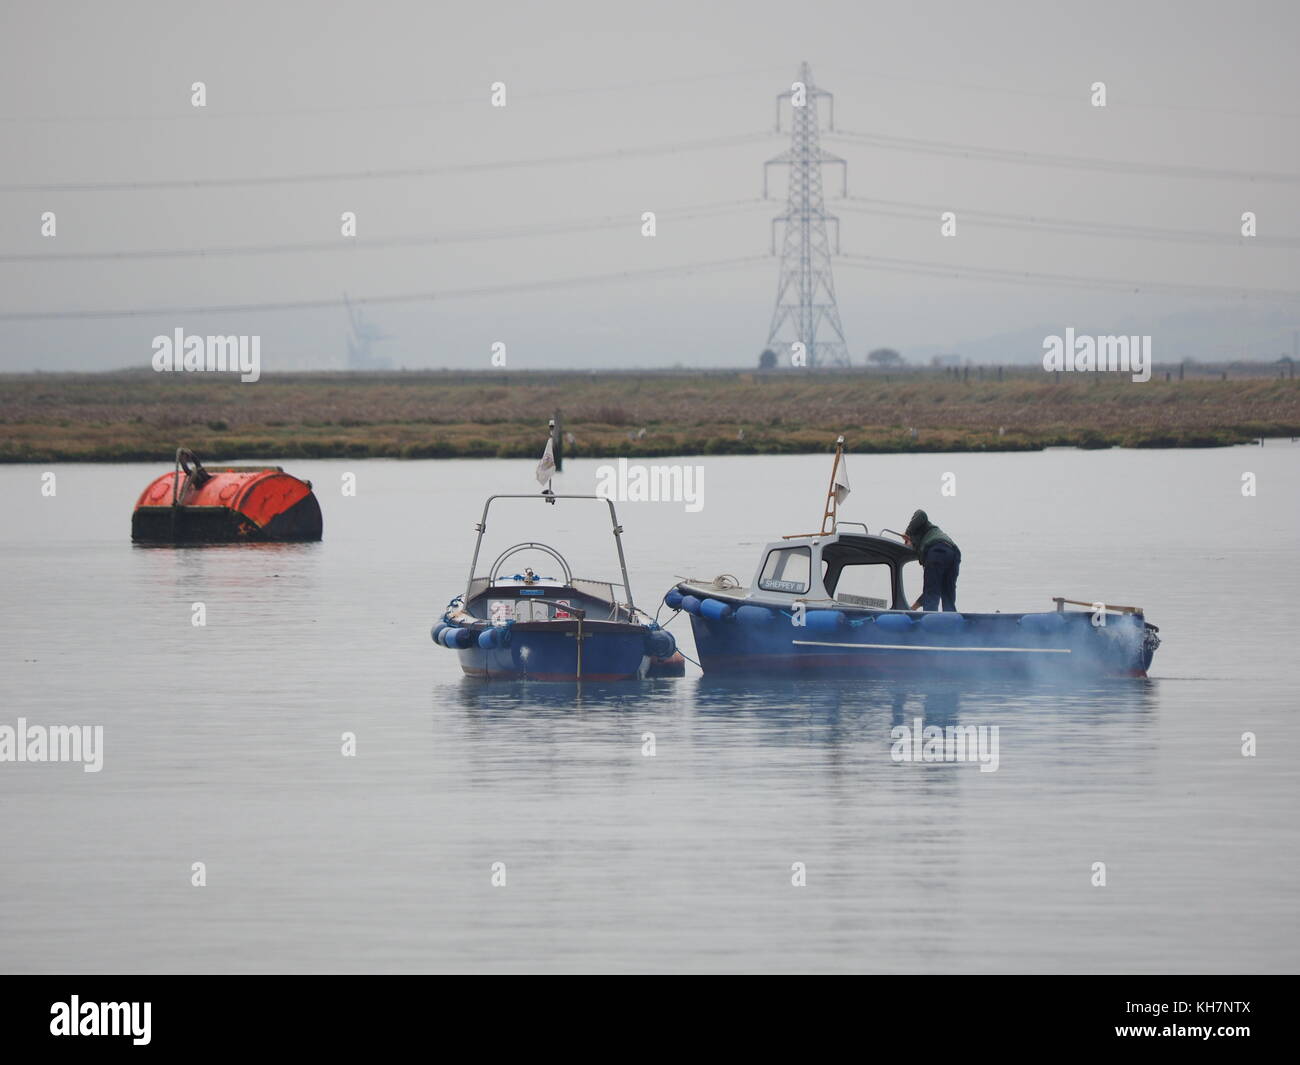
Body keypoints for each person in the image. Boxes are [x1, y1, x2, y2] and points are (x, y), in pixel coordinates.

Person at [903, 509, 961, 612]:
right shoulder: (923, 544)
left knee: (932, 596)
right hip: (954, 553)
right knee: (947, 592)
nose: (906, 544)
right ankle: (951, 621)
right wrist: (913, 608)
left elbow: (921, 513)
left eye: (906, 542)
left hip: (938, 550)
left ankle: (929, 621)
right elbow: (931, 588)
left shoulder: (919, 529)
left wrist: (908, 533)